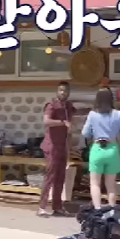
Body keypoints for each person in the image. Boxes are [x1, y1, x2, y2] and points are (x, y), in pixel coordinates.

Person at [82, 88, 120, 207]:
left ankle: (98, 209)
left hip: (97, 148)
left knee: (95, 183)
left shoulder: (92, 114)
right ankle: (112, 209)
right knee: (111, 185)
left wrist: (94, 133)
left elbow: (85, 133)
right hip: (112, 148)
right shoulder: (118, 114)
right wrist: (115, 133)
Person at [39, 81, 78, 217]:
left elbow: (76, 115)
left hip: (63, 146)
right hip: (52, 145)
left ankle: (57, 207)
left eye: (65, 90)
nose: (63, 93)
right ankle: (42, 207)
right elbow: (46, 121)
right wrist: (62, 123)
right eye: (61, 90)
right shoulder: (51, 105)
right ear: (57, 91)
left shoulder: (68, 106)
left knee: (60, 177)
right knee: (50, 176)